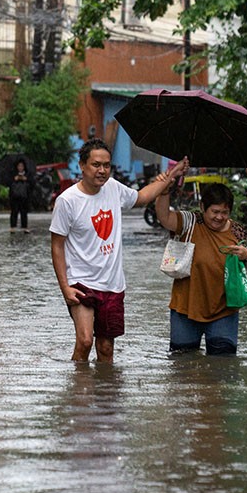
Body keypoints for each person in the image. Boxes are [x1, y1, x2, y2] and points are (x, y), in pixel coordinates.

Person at [50, 139, 188, 363]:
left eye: (106, 165)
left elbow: (142, 197)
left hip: (112, 283)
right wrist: (65, 287)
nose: (102, 170)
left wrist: (172, 174)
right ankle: (78, 394)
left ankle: (105, 395)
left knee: (106, 348)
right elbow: (57, 245)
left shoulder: (113, 188)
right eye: (96, 165)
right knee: (85, 341)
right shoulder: (67, 201)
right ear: (82, 165)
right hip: (81, 282)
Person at [154, 182, 247, 356]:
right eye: (215, 212)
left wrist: (246, 255)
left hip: (224, 308)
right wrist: (164, 191)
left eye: (224, 213)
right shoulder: (190, 222)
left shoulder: (237, 231)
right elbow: (164, 217)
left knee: (223, 364)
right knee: (183, 364)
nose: (219, 217)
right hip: (185, 308)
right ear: (203, 207)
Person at [9, 159, 33, 233]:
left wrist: (25, 179)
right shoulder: (12, 174)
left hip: (24, 196)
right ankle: (13, 226)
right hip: (14, 196)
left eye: (22, 166)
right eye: (19, 166)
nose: (20, 167)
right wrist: (15, 179)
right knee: (14, 211)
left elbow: (32, 184)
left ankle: (24, 226)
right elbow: (8, 183)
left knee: (24, 212)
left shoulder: (28, 174)